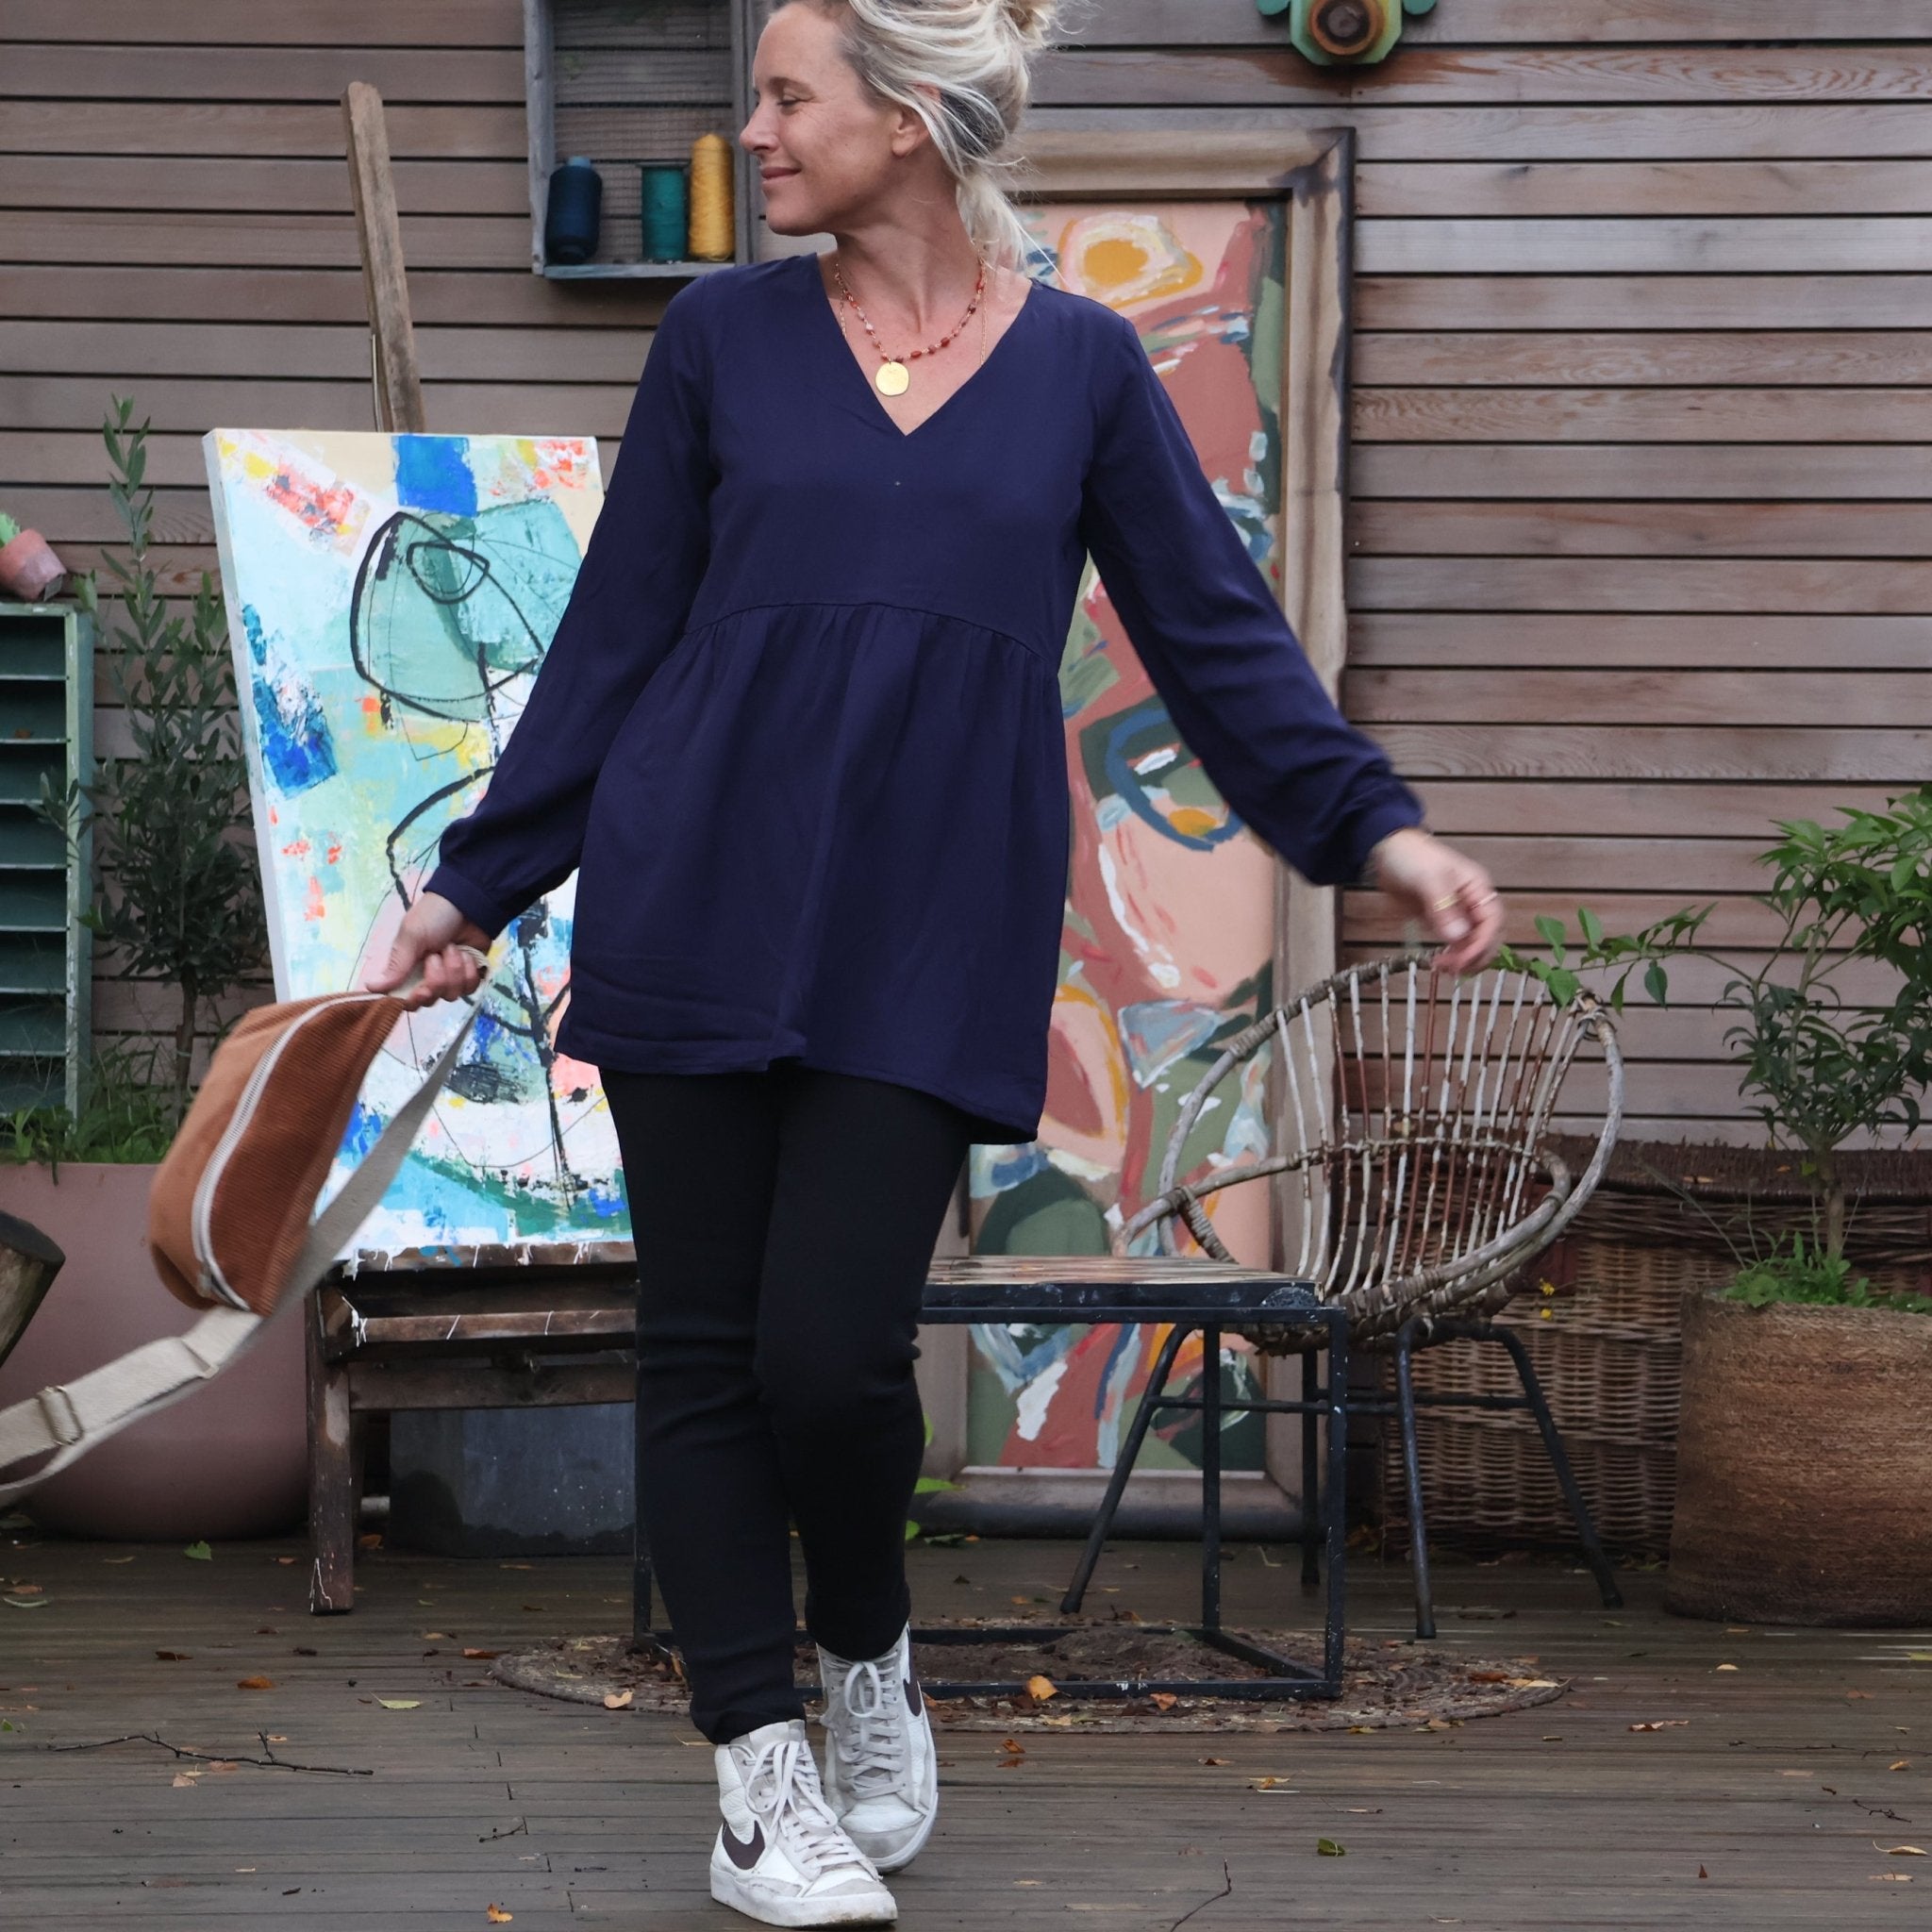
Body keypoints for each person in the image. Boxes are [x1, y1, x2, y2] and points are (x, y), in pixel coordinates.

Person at [365, 1, 1506, 1923]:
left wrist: (1373, 828)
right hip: (696, 889)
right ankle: (757, 1780)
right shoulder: (718, 340)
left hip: (925, 921)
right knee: (705, 1351)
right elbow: (616, 635)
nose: (755, 130)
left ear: (904, 118)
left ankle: (868, 1647)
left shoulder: (1079, 368)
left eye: (784, 96)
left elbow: (1213, 631)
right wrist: (472, 885)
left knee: (830, 1356)